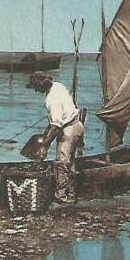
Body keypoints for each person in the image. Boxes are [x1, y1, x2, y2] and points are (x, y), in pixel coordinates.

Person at [26, 72, 84, 204]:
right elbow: (57, 121)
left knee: (61, 163)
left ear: (42, 83)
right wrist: (47, 133)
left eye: (36, 87)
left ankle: (61, 197)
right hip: (78, 125)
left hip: (69, 130)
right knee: (70, 163)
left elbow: (57, 126)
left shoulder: (51, 99)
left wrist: (45, 146)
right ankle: (71, 193)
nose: (35, 90)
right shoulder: (58, 86)